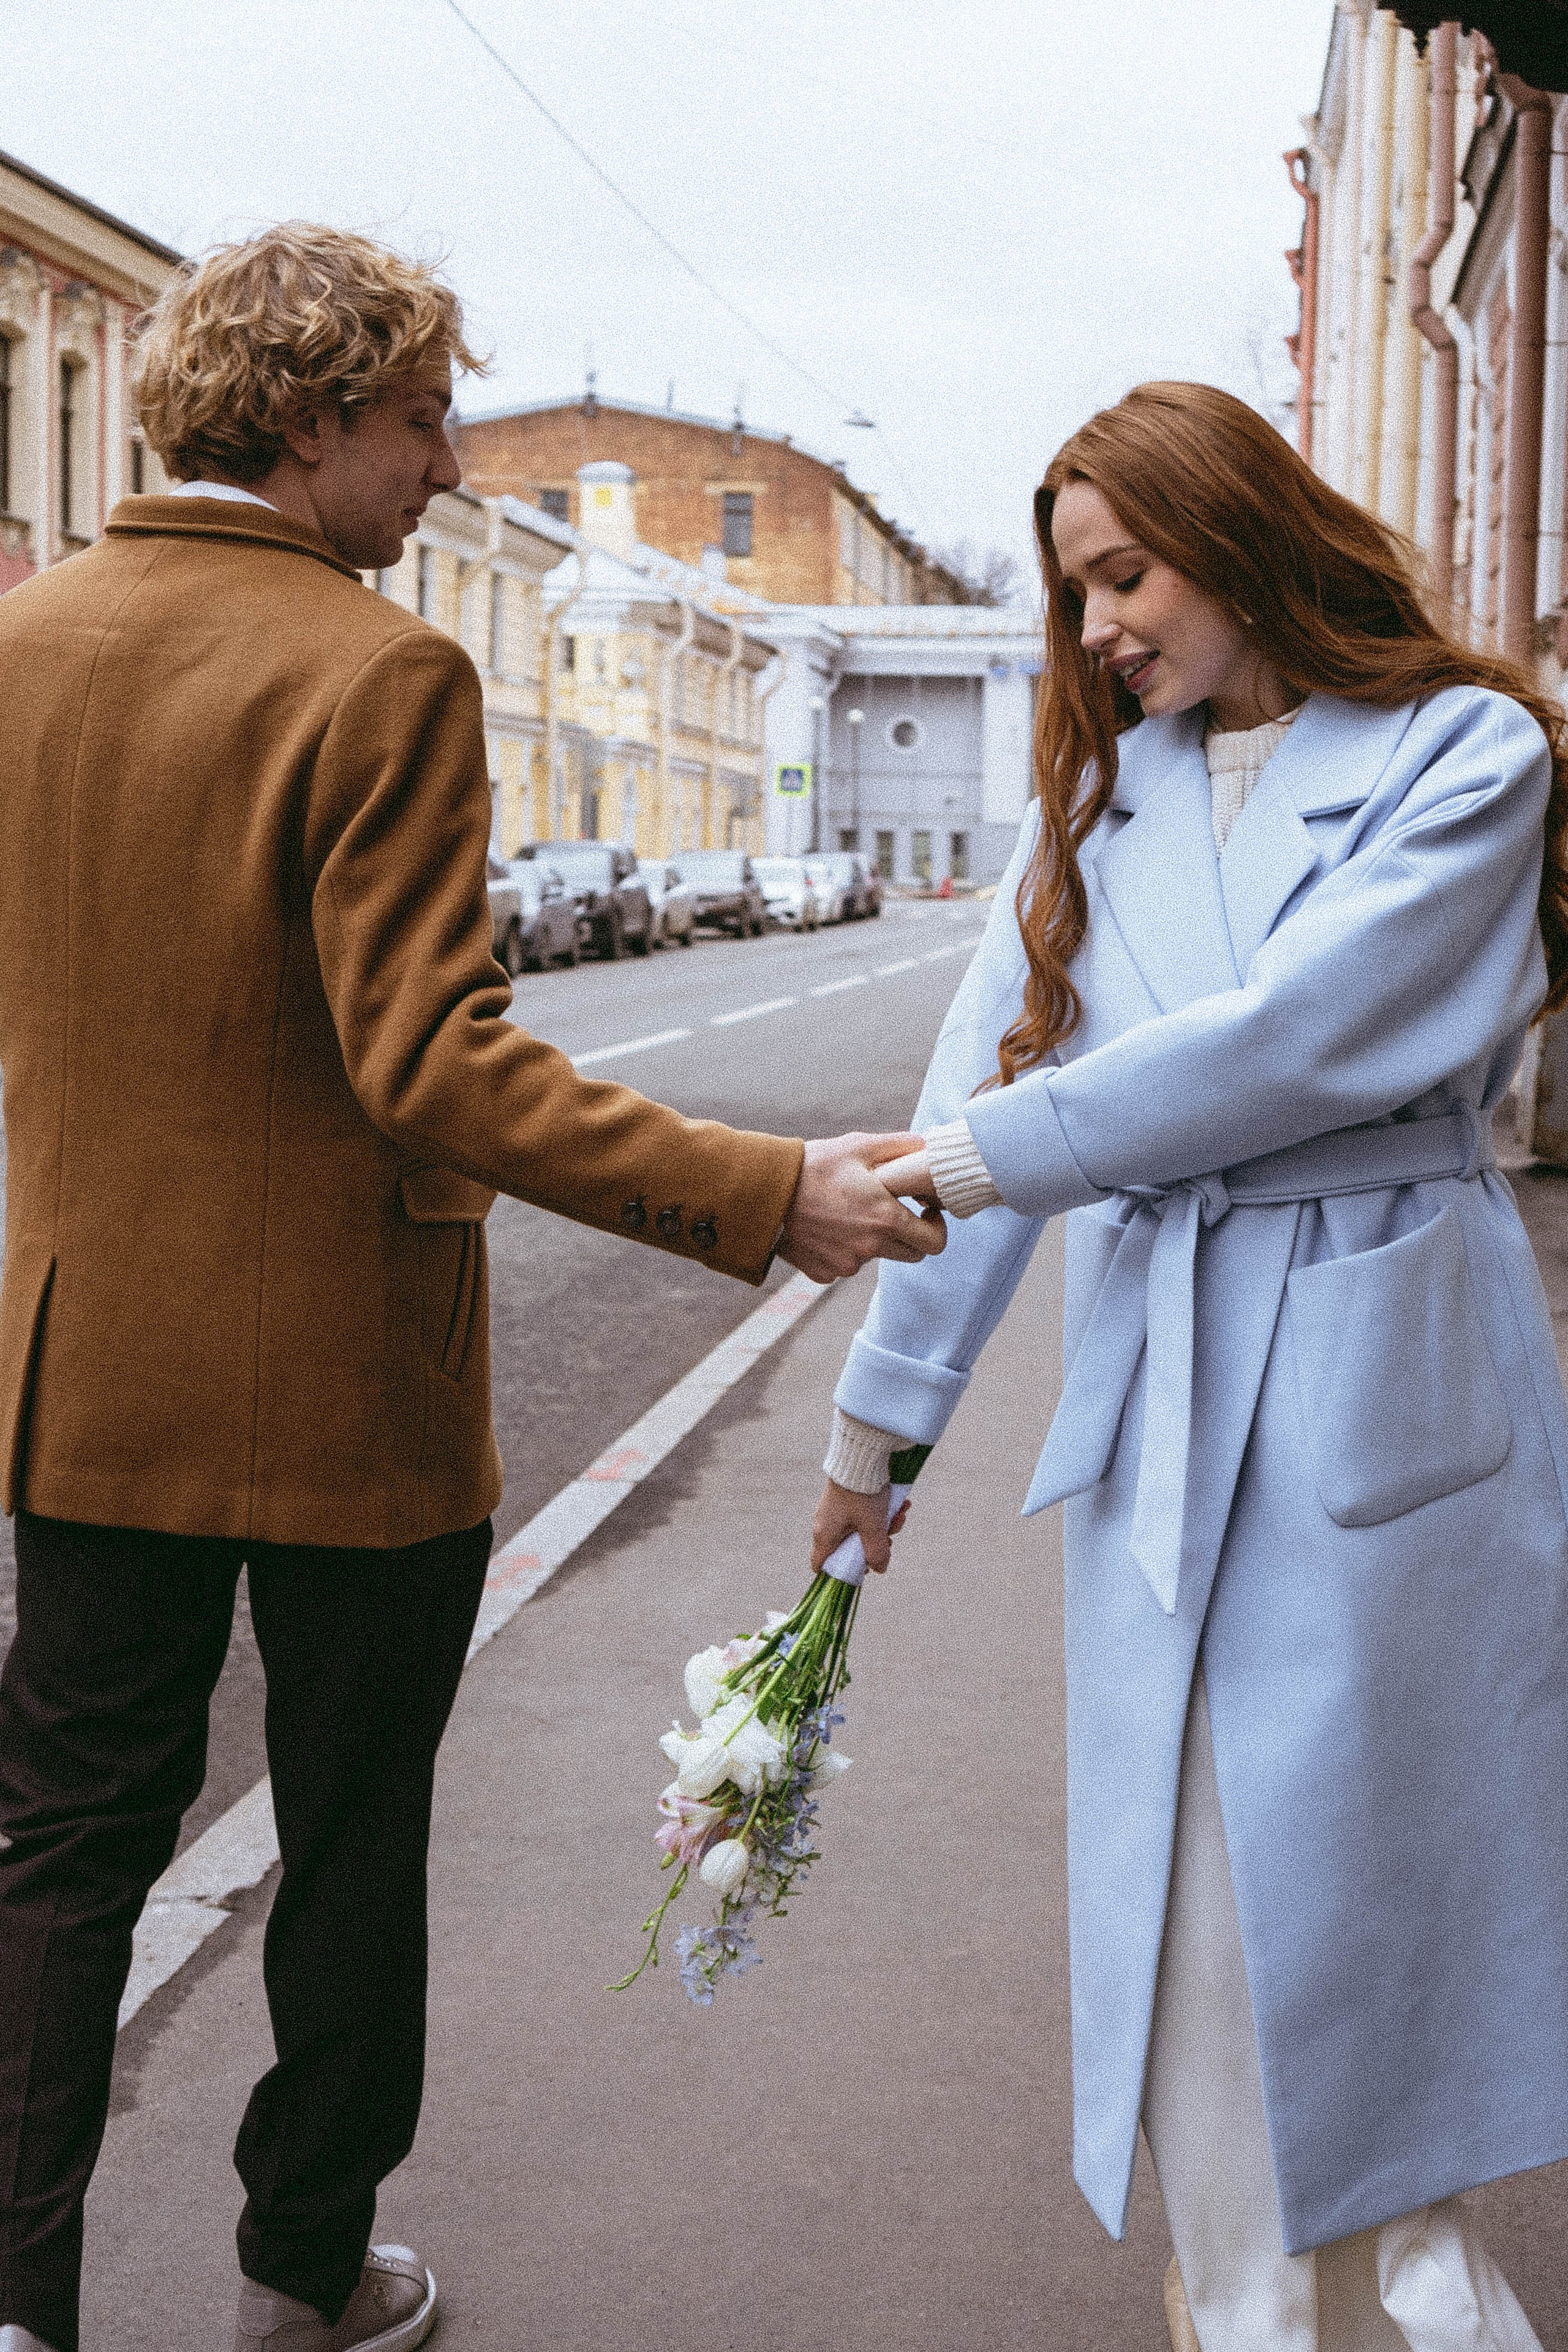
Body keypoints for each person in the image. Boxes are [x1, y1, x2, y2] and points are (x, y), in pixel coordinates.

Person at [0, 225, 944, 2352]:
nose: (441, 470)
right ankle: (303, 2278)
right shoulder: (374, 669)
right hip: (348, 1385)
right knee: (343, 1842)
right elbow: (427, 1055)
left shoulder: (26, 639)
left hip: (86, 1378)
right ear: (317, 417)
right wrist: (763, 1188)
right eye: (422, 421)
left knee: (54, 1861)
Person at [813, 382, 1568, 2352]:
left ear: (1240, 531)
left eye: (1123, 574)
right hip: (1173, 1379)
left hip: (1390, 1367)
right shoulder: (1098, 805)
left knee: (1384, 1873)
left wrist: (1003, 1152)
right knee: (1209, 1899)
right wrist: (878, 1427)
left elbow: (1304, 1040)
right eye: (1073, 594)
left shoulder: (1465, 751)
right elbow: (969, 1096)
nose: (1096, 632)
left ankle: (1417, 2274)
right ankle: (1256, 2307)